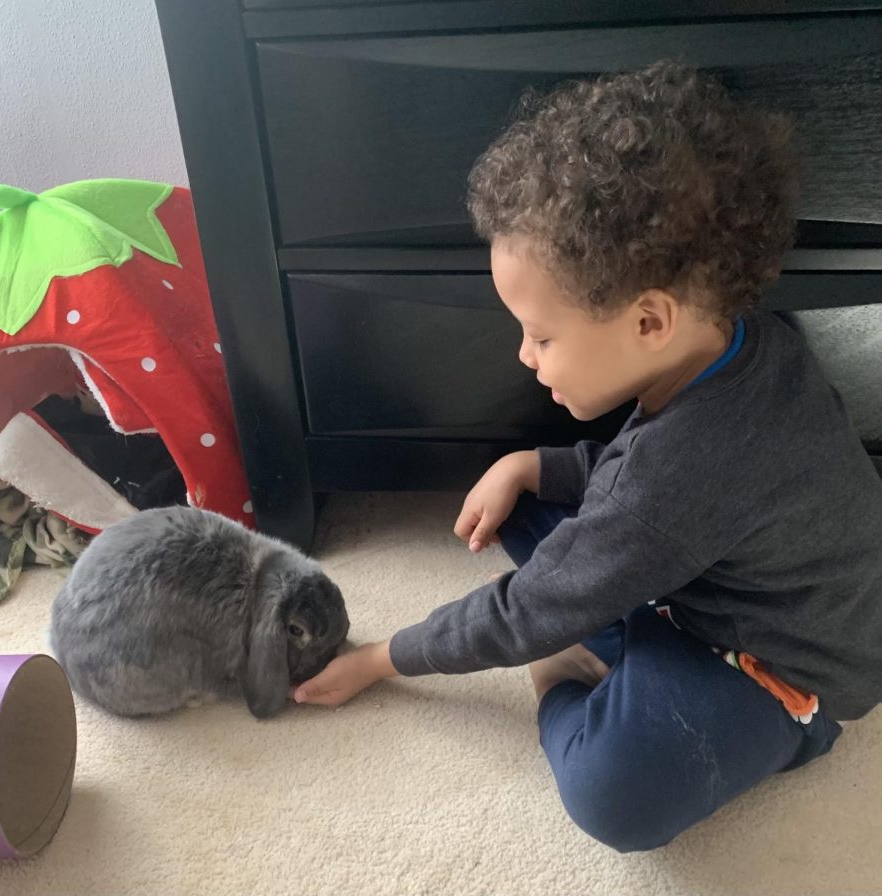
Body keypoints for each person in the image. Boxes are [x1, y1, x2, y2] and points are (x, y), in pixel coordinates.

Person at [290, 60, 882, 852]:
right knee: (524, 506)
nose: (525, 358)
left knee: (616, 795)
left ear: (649, 322)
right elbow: (641, 468)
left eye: (542, 336)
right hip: (710, 557)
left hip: (772, 669)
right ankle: (607, 612)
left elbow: (541, 592)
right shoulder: (749, 339)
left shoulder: (672, 481)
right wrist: (535, 464)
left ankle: (572, 676)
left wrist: (377, 660)